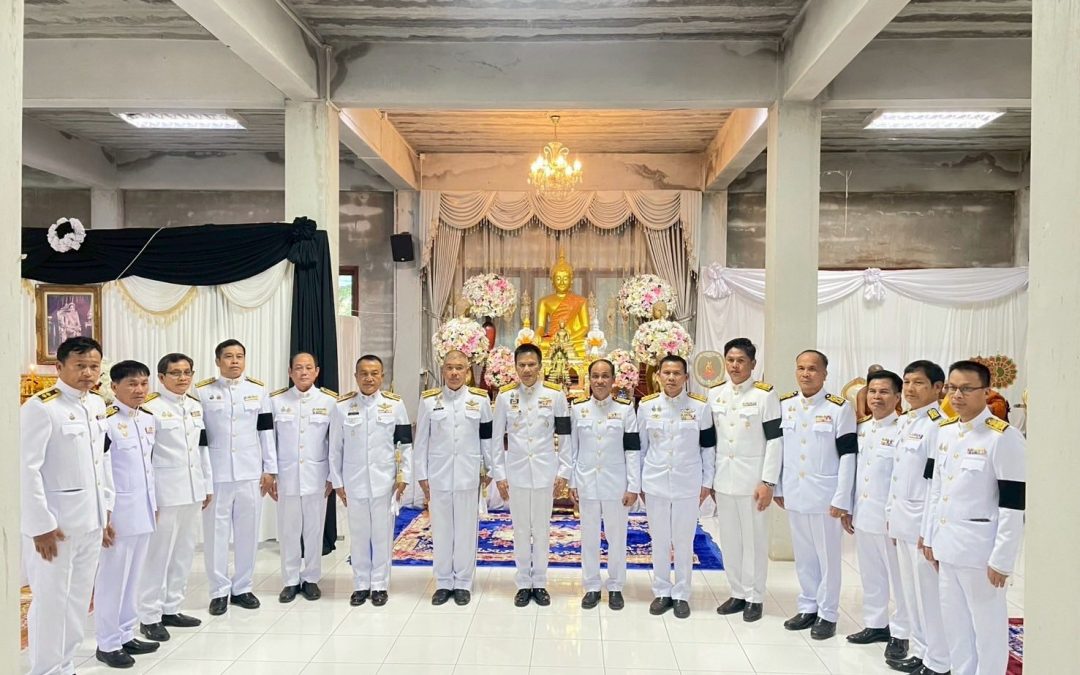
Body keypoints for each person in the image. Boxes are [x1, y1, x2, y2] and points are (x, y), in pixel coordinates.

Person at [923, 360, 1025, 675]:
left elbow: (1013, 505)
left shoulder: (1002, 437)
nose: (957, 395)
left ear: (986, 391)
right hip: (947, 547)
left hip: (981, 553)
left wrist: (1003, 559)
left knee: (988, 630)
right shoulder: (945, 432)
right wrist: (929, 538)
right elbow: (936, 491)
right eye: (953, 388)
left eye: (967, 389)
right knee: (955, 625)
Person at [21, 337, 111, 675]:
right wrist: (39, 525)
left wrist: (106, 511)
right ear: (59, 368)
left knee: (77, 600)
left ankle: (66, 664)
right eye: (80, 366)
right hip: (55, 527)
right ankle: (44, 669)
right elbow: (25, 470)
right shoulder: (41, 407)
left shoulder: (97, 405)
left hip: (90, 520)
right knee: (51, 601)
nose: (88, 372)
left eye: (93, 366)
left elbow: (101, 462)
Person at [774, 349, 857, 640]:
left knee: (828, 557)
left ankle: (828, 613)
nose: (806, 374)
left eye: (812, 368)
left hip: (826, 496)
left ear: (824, 374)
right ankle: (808, 605)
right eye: (801, 368)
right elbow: (781, 450)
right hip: (795, 493)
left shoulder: (839, 408)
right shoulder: (786, 405)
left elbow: (848, 456)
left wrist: (842, 497)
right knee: (805, 555)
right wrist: (779, 486)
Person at [196, 338, 277, 616]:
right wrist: (202, 476)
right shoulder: (202, 392)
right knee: (216, 534)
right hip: (217, 474)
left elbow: (266, 431)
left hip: (249, 472)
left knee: (247, 532)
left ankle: (242, 587)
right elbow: (200, 439)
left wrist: (270, 469)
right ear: (218, 361)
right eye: (228, 356)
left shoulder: (258, 390)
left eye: (239, 356)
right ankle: (218, 590)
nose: (234, 361)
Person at [137, 353, 212, 642]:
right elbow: (145, 457)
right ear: (162, 377)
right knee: (158, 555)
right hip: (165, 493)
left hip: (192, 490)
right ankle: (149, 615)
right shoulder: (149, 408)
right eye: (176, 373)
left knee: (183, 553)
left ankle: (171, 607)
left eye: (187, 372)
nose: (182, 378)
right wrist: (150, 496)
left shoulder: (194, 406)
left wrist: (207, 484)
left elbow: (202, 448)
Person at [707, 337, 782, 623]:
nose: (735, 366)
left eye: (741, 361)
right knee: (730, 538)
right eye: (730, 360)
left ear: (752, 363)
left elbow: (775, 441)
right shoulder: (716, 395)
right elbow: (711, 441)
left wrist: (768, 482)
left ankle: (755, 597)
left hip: (754, 481)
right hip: (724, 479)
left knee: (755, 540)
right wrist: (711, 479)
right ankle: (737, 591)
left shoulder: (765, 395)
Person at [491, 343, 572, 607]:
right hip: (516, 473)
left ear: (540, 366)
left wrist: (563, 470)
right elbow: (495, 440)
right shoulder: (505, 398)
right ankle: (523, 583)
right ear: (515, 367)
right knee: (521, 529)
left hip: (544, 471)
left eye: (531, 364)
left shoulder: (555, 395)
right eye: (522, 365)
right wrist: (499, 474)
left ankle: (540, 581)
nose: (527, 370)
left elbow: (565, 436)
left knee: (542, 528)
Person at [414, 350, 495, 606]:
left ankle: (462, 583)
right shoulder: (429, 401)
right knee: (441, 530)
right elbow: (421, 442)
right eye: (449, 367)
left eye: (460, 368)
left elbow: (487, 439)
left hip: (468, 475)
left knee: (465, 530)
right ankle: (443, 582)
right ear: (443, 370)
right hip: (438, 475)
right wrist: (421, 474)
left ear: (468, 371)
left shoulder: (480, 401)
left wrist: (487, 469)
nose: (454, 373)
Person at [330, 354, 412, 607]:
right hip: (354, 482)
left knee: (382, 535)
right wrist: (337, 482)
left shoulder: (395, 405)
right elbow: (335, 448)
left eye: (374, 373)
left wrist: (403, 476)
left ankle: (379, 585)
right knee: (359, 535)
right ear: (355, 377)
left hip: (384, 481)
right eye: (364, 373)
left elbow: (405, 444)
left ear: (382, 376)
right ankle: (360, 584)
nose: (369, 378)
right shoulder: (342, 407)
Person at [639, 354, 716, 619]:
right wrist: (638, 482)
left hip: (687, 482)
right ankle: (662, 591)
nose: (671, 378)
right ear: (658, 375)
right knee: (659, 538)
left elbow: (708, 447)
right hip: (656, 481)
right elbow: (641, 448)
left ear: (685, 377)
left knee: (684, 540)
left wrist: (707, 482)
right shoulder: (647, 406)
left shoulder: (700, 407)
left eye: (677, 373)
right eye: (666, 373)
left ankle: (682, 593)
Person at [886, 360, 951, 675]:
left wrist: (930, 531)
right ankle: (922, 651)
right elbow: (898, 475)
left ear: (938, 388)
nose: (910, 389)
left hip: (922, 525)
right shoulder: (905, 421)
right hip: (903, 520)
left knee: (930, 596)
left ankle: (940, 661)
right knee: (911, 594)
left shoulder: (939, 425)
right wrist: (890, 515)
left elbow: (934, 484)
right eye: (907, 382)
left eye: (919, 383)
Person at [95, 360, 161, 668]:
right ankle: (107, 643)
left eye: (144, 384)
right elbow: (102, 471)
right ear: (114, 387)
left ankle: (125, 634)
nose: (139, 390)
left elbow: (148, 468)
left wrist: (154, 505)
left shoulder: (148, 419)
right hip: (118, 513)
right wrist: (105, 516)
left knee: (133, 578)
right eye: (132, 384)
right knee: (112, 579)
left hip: (143, 509)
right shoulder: (105, 422)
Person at [845, 370, 912, 664]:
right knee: (872, 574)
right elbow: (855, 474)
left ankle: (902, 632)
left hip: (890, 519)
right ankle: (876, 624)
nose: (877, 397)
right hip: (863, 513)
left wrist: (894, 516)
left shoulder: (903, 429)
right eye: (872, 392)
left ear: (898, 397)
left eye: (884, 392)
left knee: (900, 579)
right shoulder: (862, 429)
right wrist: (848, 508)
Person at [568, 358, 640, 611]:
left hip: (616, 484)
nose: (600, 381)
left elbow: (632, 450)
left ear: (613, 380)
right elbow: (573, 449)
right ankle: (591, 586)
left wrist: (633, 485)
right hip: (587, 482)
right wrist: (573, 481)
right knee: (589, 537)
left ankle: (616, 585)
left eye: (605, 376)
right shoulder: (578, 409)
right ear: (589, 379)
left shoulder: (625, 410)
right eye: (595, 376)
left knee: (616, 536)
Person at [271, 352, 338, 603]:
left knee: (313, 529)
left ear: (317, 371)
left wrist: (333, 475)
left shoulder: (329, 401)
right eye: (298, 368)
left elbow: (334, 442)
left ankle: (311, 578)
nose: (303, 372)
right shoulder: (277, 401)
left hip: (317, 476)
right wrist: (270, 473)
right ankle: (289, 580)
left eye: (308, 368)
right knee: (288, 531)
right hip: (286, 477)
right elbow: (271, 441)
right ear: (290, 372)